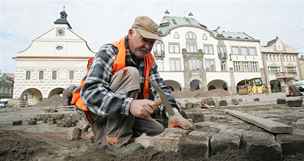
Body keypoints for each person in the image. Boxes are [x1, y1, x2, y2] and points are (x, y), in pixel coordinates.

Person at [80, 16, 191, 149]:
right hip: (101, 113)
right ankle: (113, 141)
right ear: (131, 33)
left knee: (158, 129)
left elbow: (160, 88)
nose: (148, 46)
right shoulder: (109, 51)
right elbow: (90, 92)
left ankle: (117, 132)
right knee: (132, 73)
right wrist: (130, 105)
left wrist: (173, 113)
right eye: (144, 40)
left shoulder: (148, 59)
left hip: (126, 114)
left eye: (152, 42)